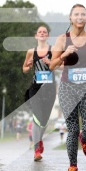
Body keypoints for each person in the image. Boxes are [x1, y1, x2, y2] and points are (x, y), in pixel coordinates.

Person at [49, 4, 86, 171]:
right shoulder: (62, 39)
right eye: (76, 14)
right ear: (70, 18)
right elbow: (51, 65)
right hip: (67, 88)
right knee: (72, 128)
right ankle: (72, 166)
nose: (80, 17)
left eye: (83, 14)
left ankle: (85, 139)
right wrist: (64, 54)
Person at [22, 25, 57, 162]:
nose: (42, 33)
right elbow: (24, 69)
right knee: (37, 117)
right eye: (40, 32)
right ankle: (36, 150)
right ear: (36, 36)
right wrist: (29, 65)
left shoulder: (53, 50)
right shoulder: (31, 52)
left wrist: (50, 62)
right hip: (35, 89)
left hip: (49, 89)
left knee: (44, 120)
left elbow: (59, 66)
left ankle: (40, 140)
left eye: (45, 32)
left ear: (47, 36)